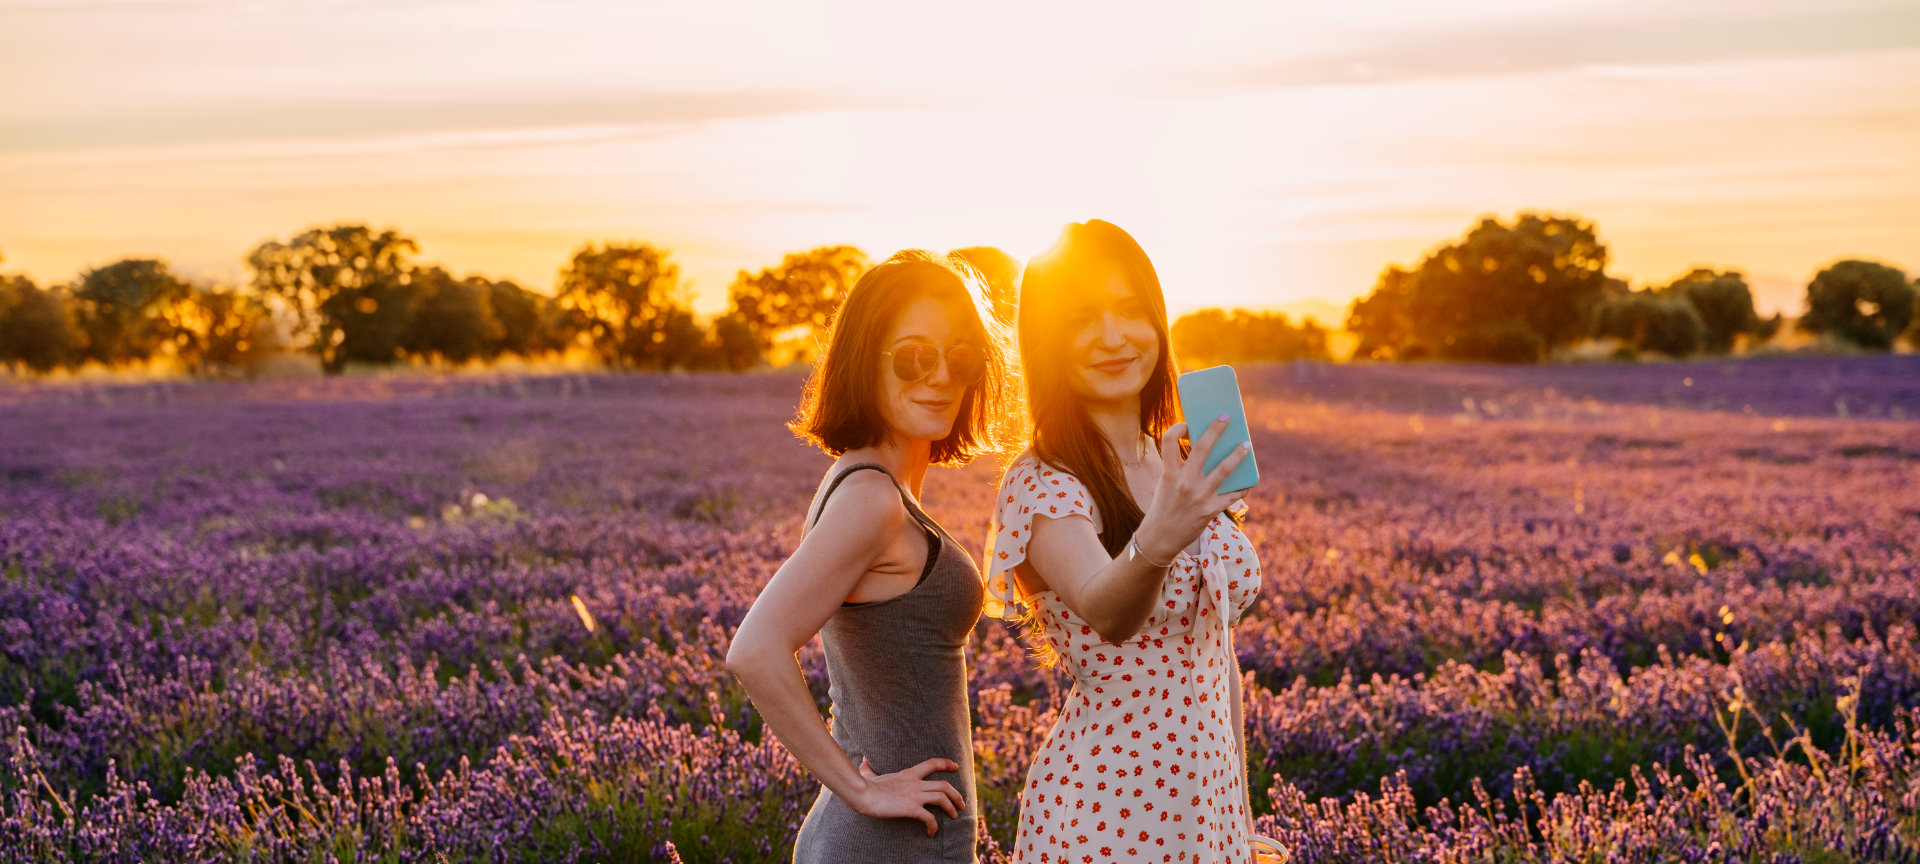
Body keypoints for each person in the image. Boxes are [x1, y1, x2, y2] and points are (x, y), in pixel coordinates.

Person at [985, 220, 1264, 864]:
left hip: (1209, 809)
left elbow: (1216, 654)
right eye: (1083, 319)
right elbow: (1107, 610)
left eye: (1131, 311)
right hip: (1109, 814)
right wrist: (1162, 534)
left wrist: (1240, 821)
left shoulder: (1178, 459)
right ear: (1047, 341)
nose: (1113, 338)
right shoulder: (1043, 482)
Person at [727, 249, 1013, 863]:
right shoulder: (870, 499)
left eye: (959, 357)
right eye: (913, 356)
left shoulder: (872, 482)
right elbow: (754, 649)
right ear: (865, 360)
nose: (939, 376)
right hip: (884, 846)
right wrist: (860, 789)